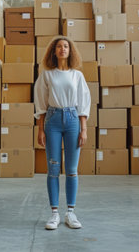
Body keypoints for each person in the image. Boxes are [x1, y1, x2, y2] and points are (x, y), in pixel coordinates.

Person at [34, 35, 91, 230]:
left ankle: (71, 213)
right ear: (54, 51)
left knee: (72, 170)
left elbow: (83, 103)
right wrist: (40, 129)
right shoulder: (47, 74)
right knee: (53, 169)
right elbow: (41, 104)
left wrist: (83, 129)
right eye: (59, 46)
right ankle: (54, 214)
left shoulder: (77, 75)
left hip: (73, 120)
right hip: (53, 120)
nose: (62, 49)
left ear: (70, 51)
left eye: (66, 46)